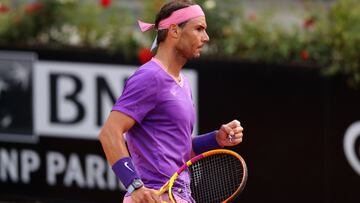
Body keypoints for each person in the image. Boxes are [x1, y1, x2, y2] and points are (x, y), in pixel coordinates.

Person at [98, 0, 244, 202]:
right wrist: (135, 186)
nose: (206, 37)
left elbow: (178, 152)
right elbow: (109, 133)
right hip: (155, 196)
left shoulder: (182, 83)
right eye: (199, 29)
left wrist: (216, 139)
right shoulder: (150, 77)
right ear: (174, 31)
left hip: (178, 196)